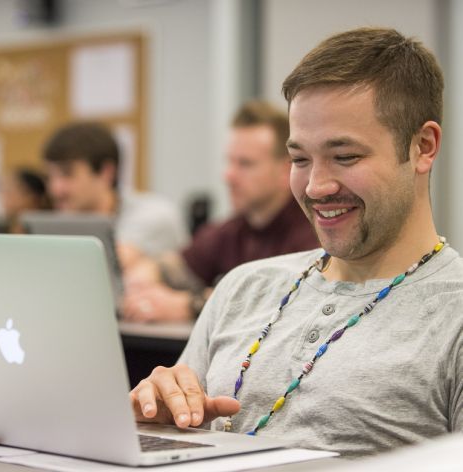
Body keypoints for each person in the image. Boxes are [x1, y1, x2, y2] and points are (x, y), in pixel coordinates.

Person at [129, 27, 463, 458]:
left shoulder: (452, 313)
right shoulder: (242, 287)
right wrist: (157, 420)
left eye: (345, 157)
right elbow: (179, 438)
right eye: (300, 159)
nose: (316, 186)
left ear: (422, 147)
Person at [122, 101, 318, 322]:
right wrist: (147, 274)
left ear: (286, 170)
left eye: (245, 164)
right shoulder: (231, 230)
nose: (228, 176)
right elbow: (177, 267)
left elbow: (280, 300)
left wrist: (189, 306)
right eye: (229, 162)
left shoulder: (313, 230)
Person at [42, 122, 188, 267]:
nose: (55, 189)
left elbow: (112, 267)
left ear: (106, 173)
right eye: (50, 176)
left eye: (67, 174)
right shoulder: (65, 221)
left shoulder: (154, 216)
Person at [0, 167, 51, 234]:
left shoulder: (48, 227)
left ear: (33, 197)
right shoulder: (1, 227)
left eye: (9, 191)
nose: (3, 196)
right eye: (4, 190)